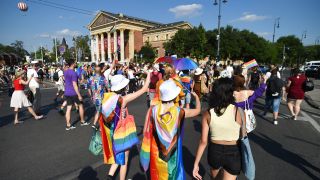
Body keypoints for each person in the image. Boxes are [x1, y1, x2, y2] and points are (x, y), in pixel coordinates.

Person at [141, 79, 201, 179]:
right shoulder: (179, 111)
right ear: (174, 96)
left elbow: (145, 132)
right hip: (173, 152)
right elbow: (198, 111)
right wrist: (197, 98)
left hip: (157, 152)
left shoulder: (153, 110)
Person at [100, 71, 151, 180]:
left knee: (118, 156)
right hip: (122, 132)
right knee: (125, 159)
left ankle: (109, 177)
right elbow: (143, 89)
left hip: (113, 130)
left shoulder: (108, 97)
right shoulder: (123, 99)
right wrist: (149, 75)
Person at [193, 78, 244, 180]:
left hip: (215, 151)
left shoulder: (208, 113)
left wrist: (196, 164)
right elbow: (243, 135)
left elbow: (203, 141)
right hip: (233, 152)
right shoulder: (239, 111)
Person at [64, 59, 90, 130]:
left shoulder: (66, 72)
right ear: (72, 64)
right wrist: (79, 95)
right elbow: (74, 84)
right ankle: (82, 121)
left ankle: (68, 125)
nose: (76, 64)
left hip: (67, 92)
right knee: (81, 105)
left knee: (68, 108)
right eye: (75, 63)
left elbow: (67, 81)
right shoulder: (73, 73)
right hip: (74, 92)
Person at [87, 63, 109, 130]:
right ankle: (101, 126)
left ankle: (94, 124)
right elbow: (108, 87)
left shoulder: (90, 78)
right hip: (101, 97)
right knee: (102, 112)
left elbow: (88, 87)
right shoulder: (103, 79)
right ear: (100, 71)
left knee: (98, 111)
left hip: (94, 98)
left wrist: (91, 95)